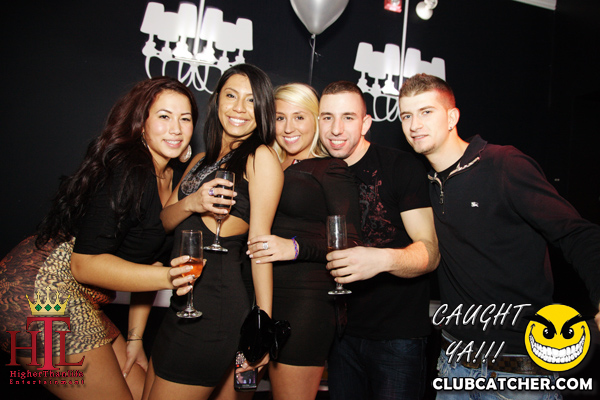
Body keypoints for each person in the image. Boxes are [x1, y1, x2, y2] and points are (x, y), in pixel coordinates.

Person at [398, 73, 600, 399]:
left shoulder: (503, 165)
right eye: (406, 115)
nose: (414, 124)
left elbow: (575, 233)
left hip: (518, 369)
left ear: (452, 117)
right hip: (454, 365)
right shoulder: (424, 183)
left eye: (426, 112)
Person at [0, 76, 201, 400]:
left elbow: (149, 263)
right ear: (141, 123)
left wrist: (135, 339)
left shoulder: (176, 178)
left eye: (185, 118)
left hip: (83, 298)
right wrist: (171, 277)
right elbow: (84, 265)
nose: (176, 129)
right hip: (40, 290)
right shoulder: (127, 167)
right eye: (164, 116)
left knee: (144, 391)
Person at [144, 64, 283, 400]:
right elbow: (165, 221)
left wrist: (262, 327)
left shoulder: (260, 157)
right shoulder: (199, 160)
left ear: (263, 109)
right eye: (231, 96)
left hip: (216, 309)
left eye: (251, 100)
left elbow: (260, 247)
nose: (239, 108)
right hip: (180, 306)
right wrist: (193, 202)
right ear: (217, 99)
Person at [318, 81, 440, 400]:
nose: (336, 129)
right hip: (339, 336)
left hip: (397, 338)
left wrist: (381, 260)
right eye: (327, 117)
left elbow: (430, 251)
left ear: (365, 123)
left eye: (348, 117)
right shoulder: (316, 173)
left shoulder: (401, 166)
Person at [246, 83, 362, 399]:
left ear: (315, 120)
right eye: (279, 117)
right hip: (253, 296)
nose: (288, 127)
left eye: (299, 117)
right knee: (235, 390)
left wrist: (294, 247)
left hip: (304, 303)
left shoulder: (329, 169)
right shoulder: (265, 162)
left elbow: (351, 242)